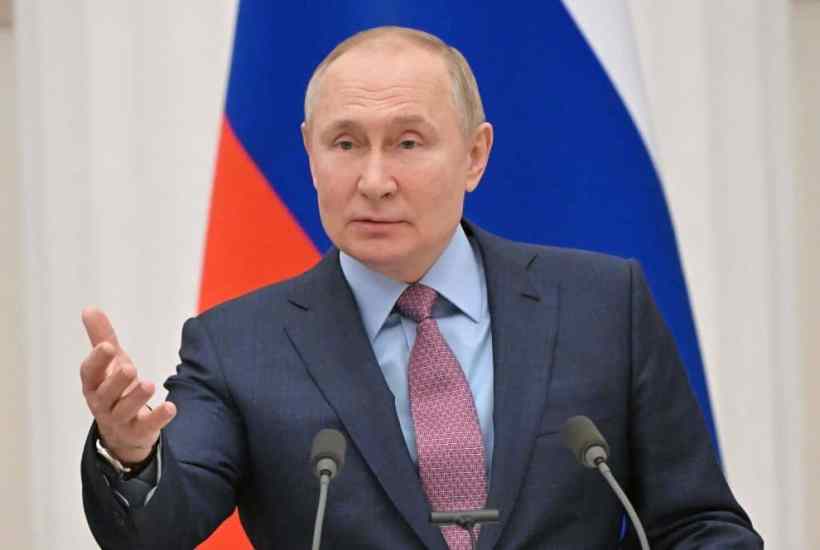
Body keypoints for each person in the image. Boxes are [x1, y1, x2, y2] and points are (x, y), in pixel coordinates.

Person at [80, 26, 762, 549]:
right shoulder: (238, 346)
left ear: (474, 155)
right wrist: (130, 452)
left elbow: (698, 524)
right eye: (345, 144)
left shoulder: (602, 306)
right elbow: (158, 528)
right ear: (311, 153)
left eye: (408, 143)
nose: (375, 180)